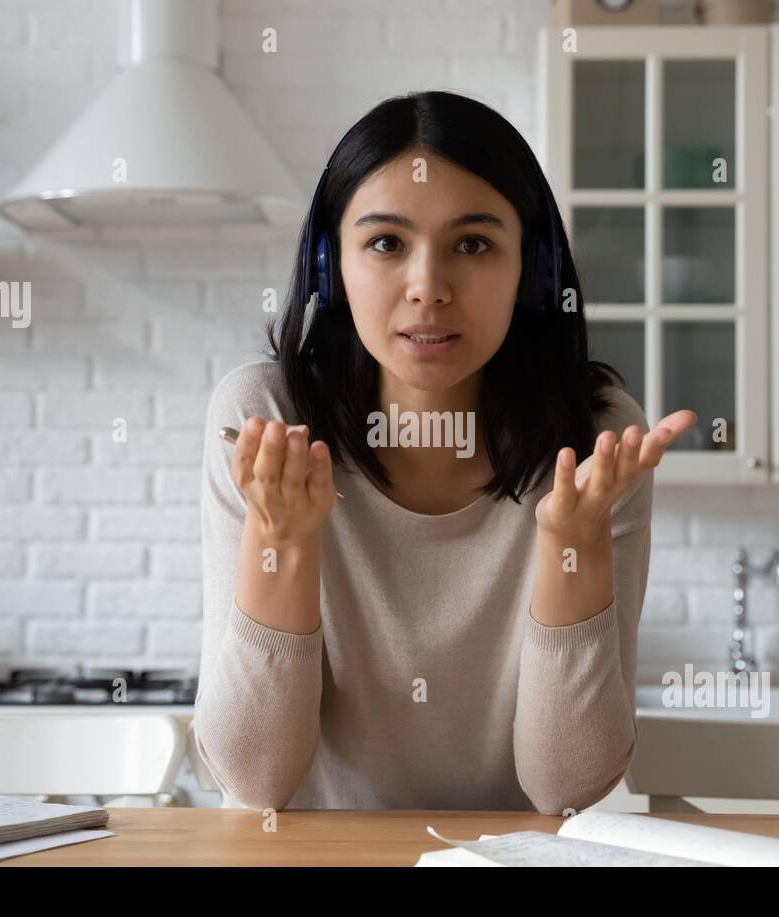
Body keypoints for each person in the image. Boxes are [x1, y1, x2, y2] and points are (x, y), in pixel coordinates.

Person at [193, 90, 696, 813]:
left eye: (472, 244)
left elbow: (568, 787)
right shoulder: (267, 418)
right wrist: (284, 542)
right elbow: (253, 779)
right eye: (387, 243)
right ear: (333, 266)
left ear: (532, 270)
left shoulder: (593, 437)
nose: (429, 288)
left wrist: (570, 546)